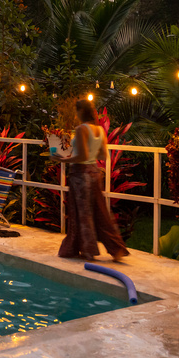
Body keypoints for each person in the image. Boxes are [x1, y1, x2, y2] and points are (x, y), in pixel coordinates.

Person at [54, 100, 130, 262]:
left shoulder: (82, 129)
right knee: (100, 212)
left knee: (83, 213)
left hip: (80, 175)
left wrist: (63, 159)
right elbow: (103, 155)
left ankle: (88, 251)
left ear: (81, 112)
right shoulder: (99, 130)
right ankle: (116, 249)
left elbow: (82, 157)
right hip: (94, 174)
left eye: (77, 111)